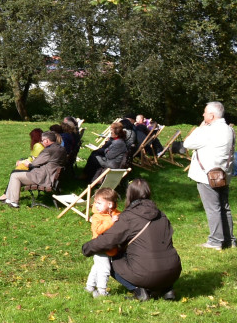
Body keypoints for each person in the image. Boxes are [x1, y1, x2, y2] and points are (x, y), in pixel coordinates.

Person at [82, 179, 182, 301]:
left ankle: (138, 290)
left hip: (147, 273)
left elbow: (108, 240)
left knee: (110, 257)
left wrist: (87, 248)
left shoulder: (128, 217)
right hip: (173, 271)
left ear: (129, 194)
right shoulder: (161, 215)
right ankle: (167, 289)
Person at [183, 101, 235, 250]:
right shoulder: (229, 129)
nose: (203, 115)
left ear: (211, 115)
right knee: (224, 206)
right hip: (223, 173)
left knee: (213, 208)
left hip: (207, 175)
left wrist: (200, 128)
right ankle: (229, 239)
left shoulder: (208, 131)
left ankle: (215, 241)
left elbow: (187, 144)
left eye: (205, 112)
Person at [0, 131, 70, 208]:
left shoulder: (48, 150)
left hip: (44, 177)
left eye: (42, 140)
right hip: (51, 175)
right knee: (16, 174)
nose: (42, 142)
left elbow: (35, 163)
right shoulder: (61, 149)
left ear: (46, 141)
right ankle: (9, 198)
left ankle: (14, 202)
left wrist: (27, 163)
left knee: (15, 175)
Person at [85, 188, 121, 297]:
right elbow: (98, 230)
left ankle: (89, 287)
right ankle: (102, 291)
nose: (96, 205)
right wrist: (111, 221)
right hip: (100, 247)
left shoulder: (115, 214)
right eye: (95, 202)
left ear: (110, 205)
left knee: (97, 267)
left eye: (99, 203)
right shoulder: (96, 217)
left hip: (110, 248)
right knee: (105, 269)